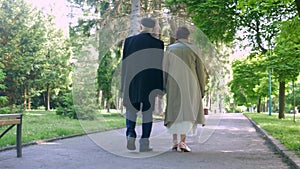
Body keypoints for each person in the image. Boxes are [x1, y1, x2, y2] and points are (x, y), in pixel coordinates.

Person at [121, 18, 164, 152]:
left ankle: (130, 134)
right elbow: (159, 66)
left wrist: (123, 84)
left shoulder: (129, 41)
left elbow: (125, 63)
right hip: (150, 82)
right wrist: (160, 87)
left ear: (141, 26)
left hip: (132, 80)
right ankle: (144, 142)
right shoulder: (158, 44)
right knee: (147, 113)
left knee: (131, 110)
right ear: (153, 28)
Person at [163, 27, 207, 152]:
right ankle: (183, 142)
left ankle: (174, 142)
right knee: (186, 111)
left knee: (174, 110)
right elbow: (200, 72)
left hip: (173, 83)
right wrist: (202, 89)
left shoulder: (170, 49)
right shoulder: (194, 49)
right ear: (188, 36)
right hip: (190, 84)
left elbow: (165, 69)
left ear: (176, 36)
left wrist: (164, 85)